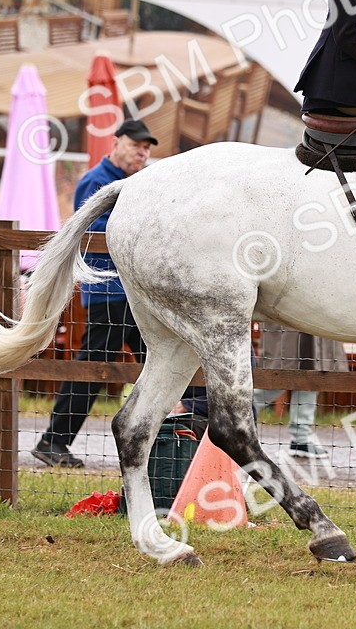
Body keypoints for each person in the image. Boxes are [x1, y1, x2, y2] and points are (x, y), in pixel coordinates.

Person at [32, 119, 208, 468]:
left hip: (135, 296)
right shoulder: (96, 181)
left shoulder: (136, 183)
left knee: (167, 367)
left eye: (146, 148)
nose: (142, 152)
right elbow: (90, 231)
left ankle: (180, 440)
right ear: (117, 143)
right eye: (136, 145)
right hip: (110, 294)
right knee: (95, 369)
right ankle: (53, 441)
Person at [252, 322, 347, 459]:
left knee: (312, 376)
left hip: (319, 318)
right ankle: (228, 420)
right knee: (278, 379)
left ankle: (301, 439)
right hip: (288, 318)